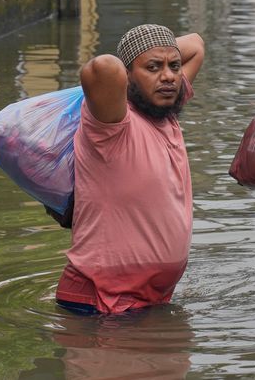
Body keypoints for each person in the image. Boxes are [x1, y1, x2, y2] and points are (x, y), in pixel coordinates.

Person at [55, 24, 205, 315]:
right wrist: (141, 51)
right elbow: (102, 68)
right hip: (99, 306)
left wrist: (154, 51)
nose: (169, 76)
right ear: (127, 78)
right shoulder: (112, 124)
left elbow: (197, 44)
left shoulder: (167, 113)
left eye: (175, 67)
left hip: (149, 303)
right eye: (153, 67)